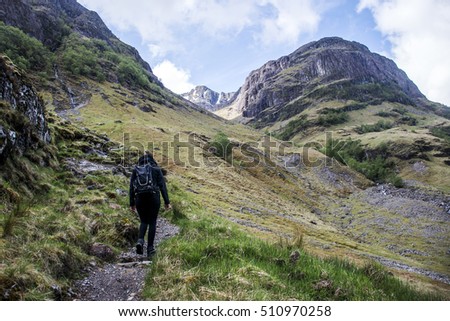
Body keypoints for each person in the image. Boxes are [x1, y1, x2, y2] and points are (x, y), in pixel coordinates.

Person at [129, 153, 171, 257]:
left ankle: (140, 241)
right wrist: (167, 202)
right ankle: (150, 249)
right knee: (152, 222)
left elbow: (131, 187)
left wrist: (132, 203)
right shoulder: (156, 169)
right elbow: (162, 186)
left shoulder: (136, 170)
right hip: (153, 197)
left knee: (143, 221)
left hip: (140, 198)